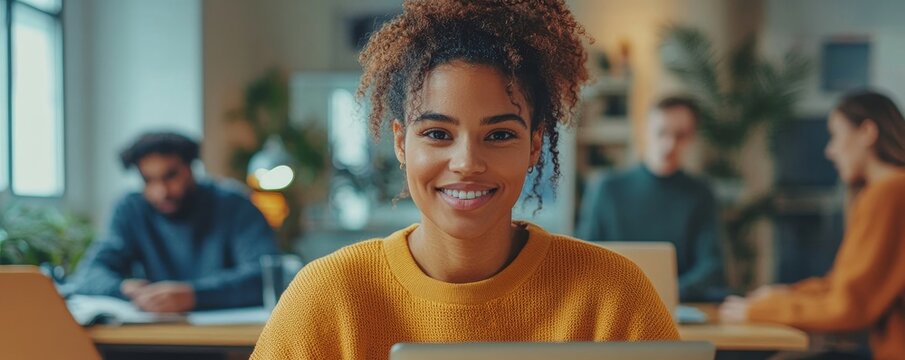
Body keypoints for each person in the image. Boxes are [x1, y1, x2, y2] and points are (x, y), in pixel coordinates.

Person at [252, 1, 678, 359]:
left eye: (499, 135)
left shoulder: (614, 297)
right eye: (438, 134)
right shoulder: (329, 297)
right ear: (401, 143)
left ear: (534, 145)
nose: (467, 162)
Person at [720, 91, 905, 360]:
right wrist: (785, 294)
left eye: (836, 136)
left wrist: (760, 310)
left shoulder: (889, 192)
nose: (830, 151)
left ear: (867, 132)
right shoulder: (888, 190)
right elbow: (845, 284)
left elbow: (850, 306)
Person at [71, 132, 279, 312]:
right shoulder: (130, 209)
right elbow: (89, 274)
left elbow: (267, 277)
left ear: (191, 168)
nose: (161, 192)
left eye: (170, 176)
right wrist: (123, 288)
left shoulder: (235, 205)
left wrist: (194, 296)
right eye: (148, 180)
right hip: (154, 340)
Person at [576, 96, 724, 302]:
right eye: (661, 132)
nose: (669, 144)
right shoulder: (607, 189)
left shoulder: (700, 193)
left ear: (692, 138)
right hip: (615, 303)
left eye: (680, 135)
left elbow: (711, 267)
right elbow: (584, 259)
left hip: (676, 304)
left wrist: (666, 292)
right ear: (645, 131)